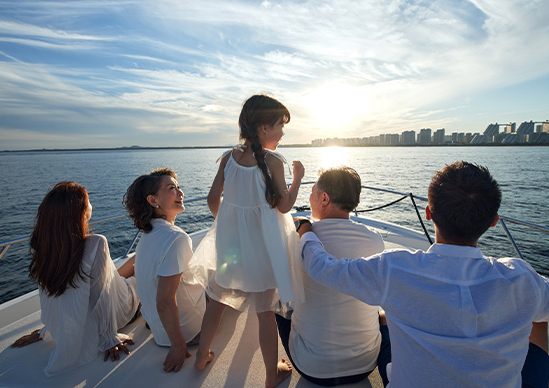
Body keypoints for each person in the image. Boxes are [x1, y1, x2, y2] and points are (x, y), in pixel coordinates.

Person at [297, 161, 549, 388]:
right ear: (493, 221)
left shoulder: (395, 269)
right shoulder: (522, 278)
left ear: (428, 213)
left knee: (383, 321)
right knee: (539, 317)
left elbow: (324, 268)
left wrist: (307, 232)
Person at [192, 94, 305, 388]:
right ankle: (271, 374)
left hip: (233, 246)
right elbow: (284, 206)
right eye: (281, 125)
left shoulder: (228, 157)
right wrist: (298, 179)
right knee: (265, 311)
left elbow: (212, 199)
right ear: (264, 128)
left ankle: (202, 354)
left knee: (217, 299)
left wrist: (228, 225)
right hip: (264, 249)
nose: (283, 132)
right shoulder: (273, 161)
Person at [276, 166, 392, 386]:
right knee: (379, 314)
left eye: (312, 192)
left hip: (311, 367)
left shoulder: (298, 238)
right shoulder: (375, 241)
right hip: (365, 364)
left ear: (324, 198)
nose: (309, 198)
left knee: (279, 302)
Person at [11, 182, 139, 377]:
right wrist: (109, 337)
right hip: (120, 309)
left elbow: (51, 296)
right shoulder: (96, 243)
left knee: (123, 273)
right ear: (79, 212)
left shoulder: (46, 246)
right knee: (139, 272)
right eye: (88, 202)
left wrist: (50, 329)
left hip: (102, 297)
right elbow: (101, 296)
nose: (90, 206)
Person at [123, 168, 207, 373]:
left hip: (160, 334)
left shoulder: (147, 236)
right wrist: (178, 346)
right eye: (172, 188)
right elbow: (165, 300)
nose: (181, 193)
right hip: (189, 332)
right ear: (153, 201)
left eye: (179, 187)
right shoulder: (176, 238)